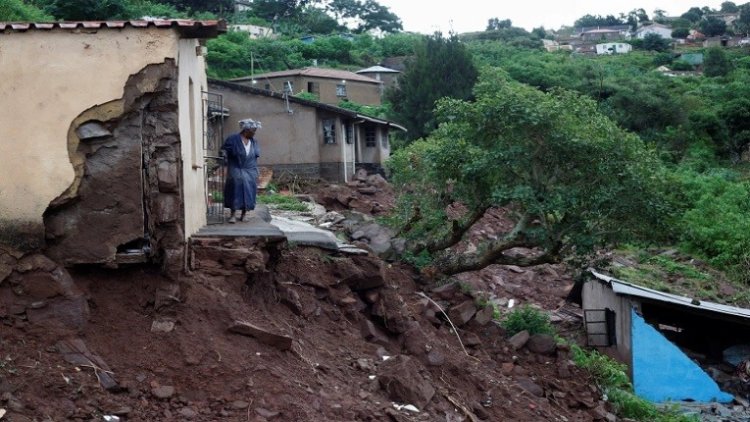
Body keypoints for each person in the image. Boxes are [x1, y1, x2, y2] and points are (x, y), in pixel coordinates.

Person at [222, 118, 261, 223]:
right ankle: (233, 214)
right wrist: (225, 156)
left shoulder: (254, 142)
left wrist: (255, 172)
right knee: (235, 189)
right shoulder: (233, 139)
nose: (254, 133)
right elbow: (224, 150)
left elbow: (255, 157)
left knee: (249, 191)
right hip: (236, 168)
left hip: (249, 170)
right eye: (253, 131)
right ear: (246, 130)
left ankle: (244, 214)